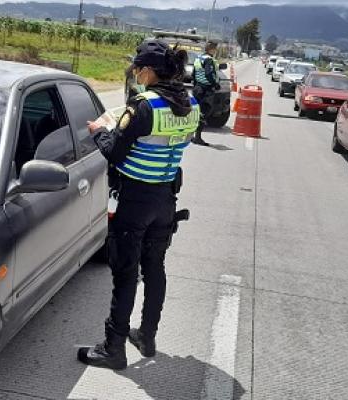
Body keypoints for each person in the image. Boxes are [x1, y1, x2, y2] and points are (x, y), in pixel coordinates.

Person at [79, 39, 200, 370]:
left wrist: (98, 131)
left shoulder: (143, 106)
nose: (135, 73)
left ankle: (113, 348)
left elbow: (115, 152)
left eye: (137, 69)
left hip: (136, 200)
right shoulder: (190, 103)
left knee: (125, 273)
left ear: (148, 71)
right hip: (165, 198)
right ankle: (146, 335)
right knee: (155, 268)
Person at [191, 40, 220, 146]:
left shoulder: (199, 58)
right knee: (204, 112)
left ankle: (193, 136)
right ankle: (198, 137)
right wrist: (214, 84)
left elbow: (193, 74)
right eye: (215, 49)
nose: (216, 51)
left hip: (197, 88)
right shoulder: (208, 60)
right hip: (206, 90)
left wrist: (196, 85)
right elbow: (208, 74)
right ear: (211, 49)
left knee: (196, 112)